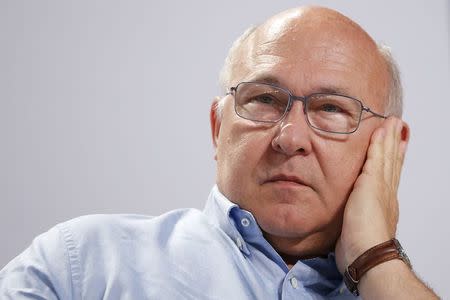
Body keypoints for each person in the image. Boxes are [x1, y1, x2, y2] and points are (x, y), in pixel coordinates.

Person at [0, 6, 439, 299]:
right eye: (264, 100)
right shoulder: (78, 264)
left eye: (330, 109)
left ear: (389, 150)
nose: (290, 137)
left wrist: (378, 259)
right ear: (217, 128)